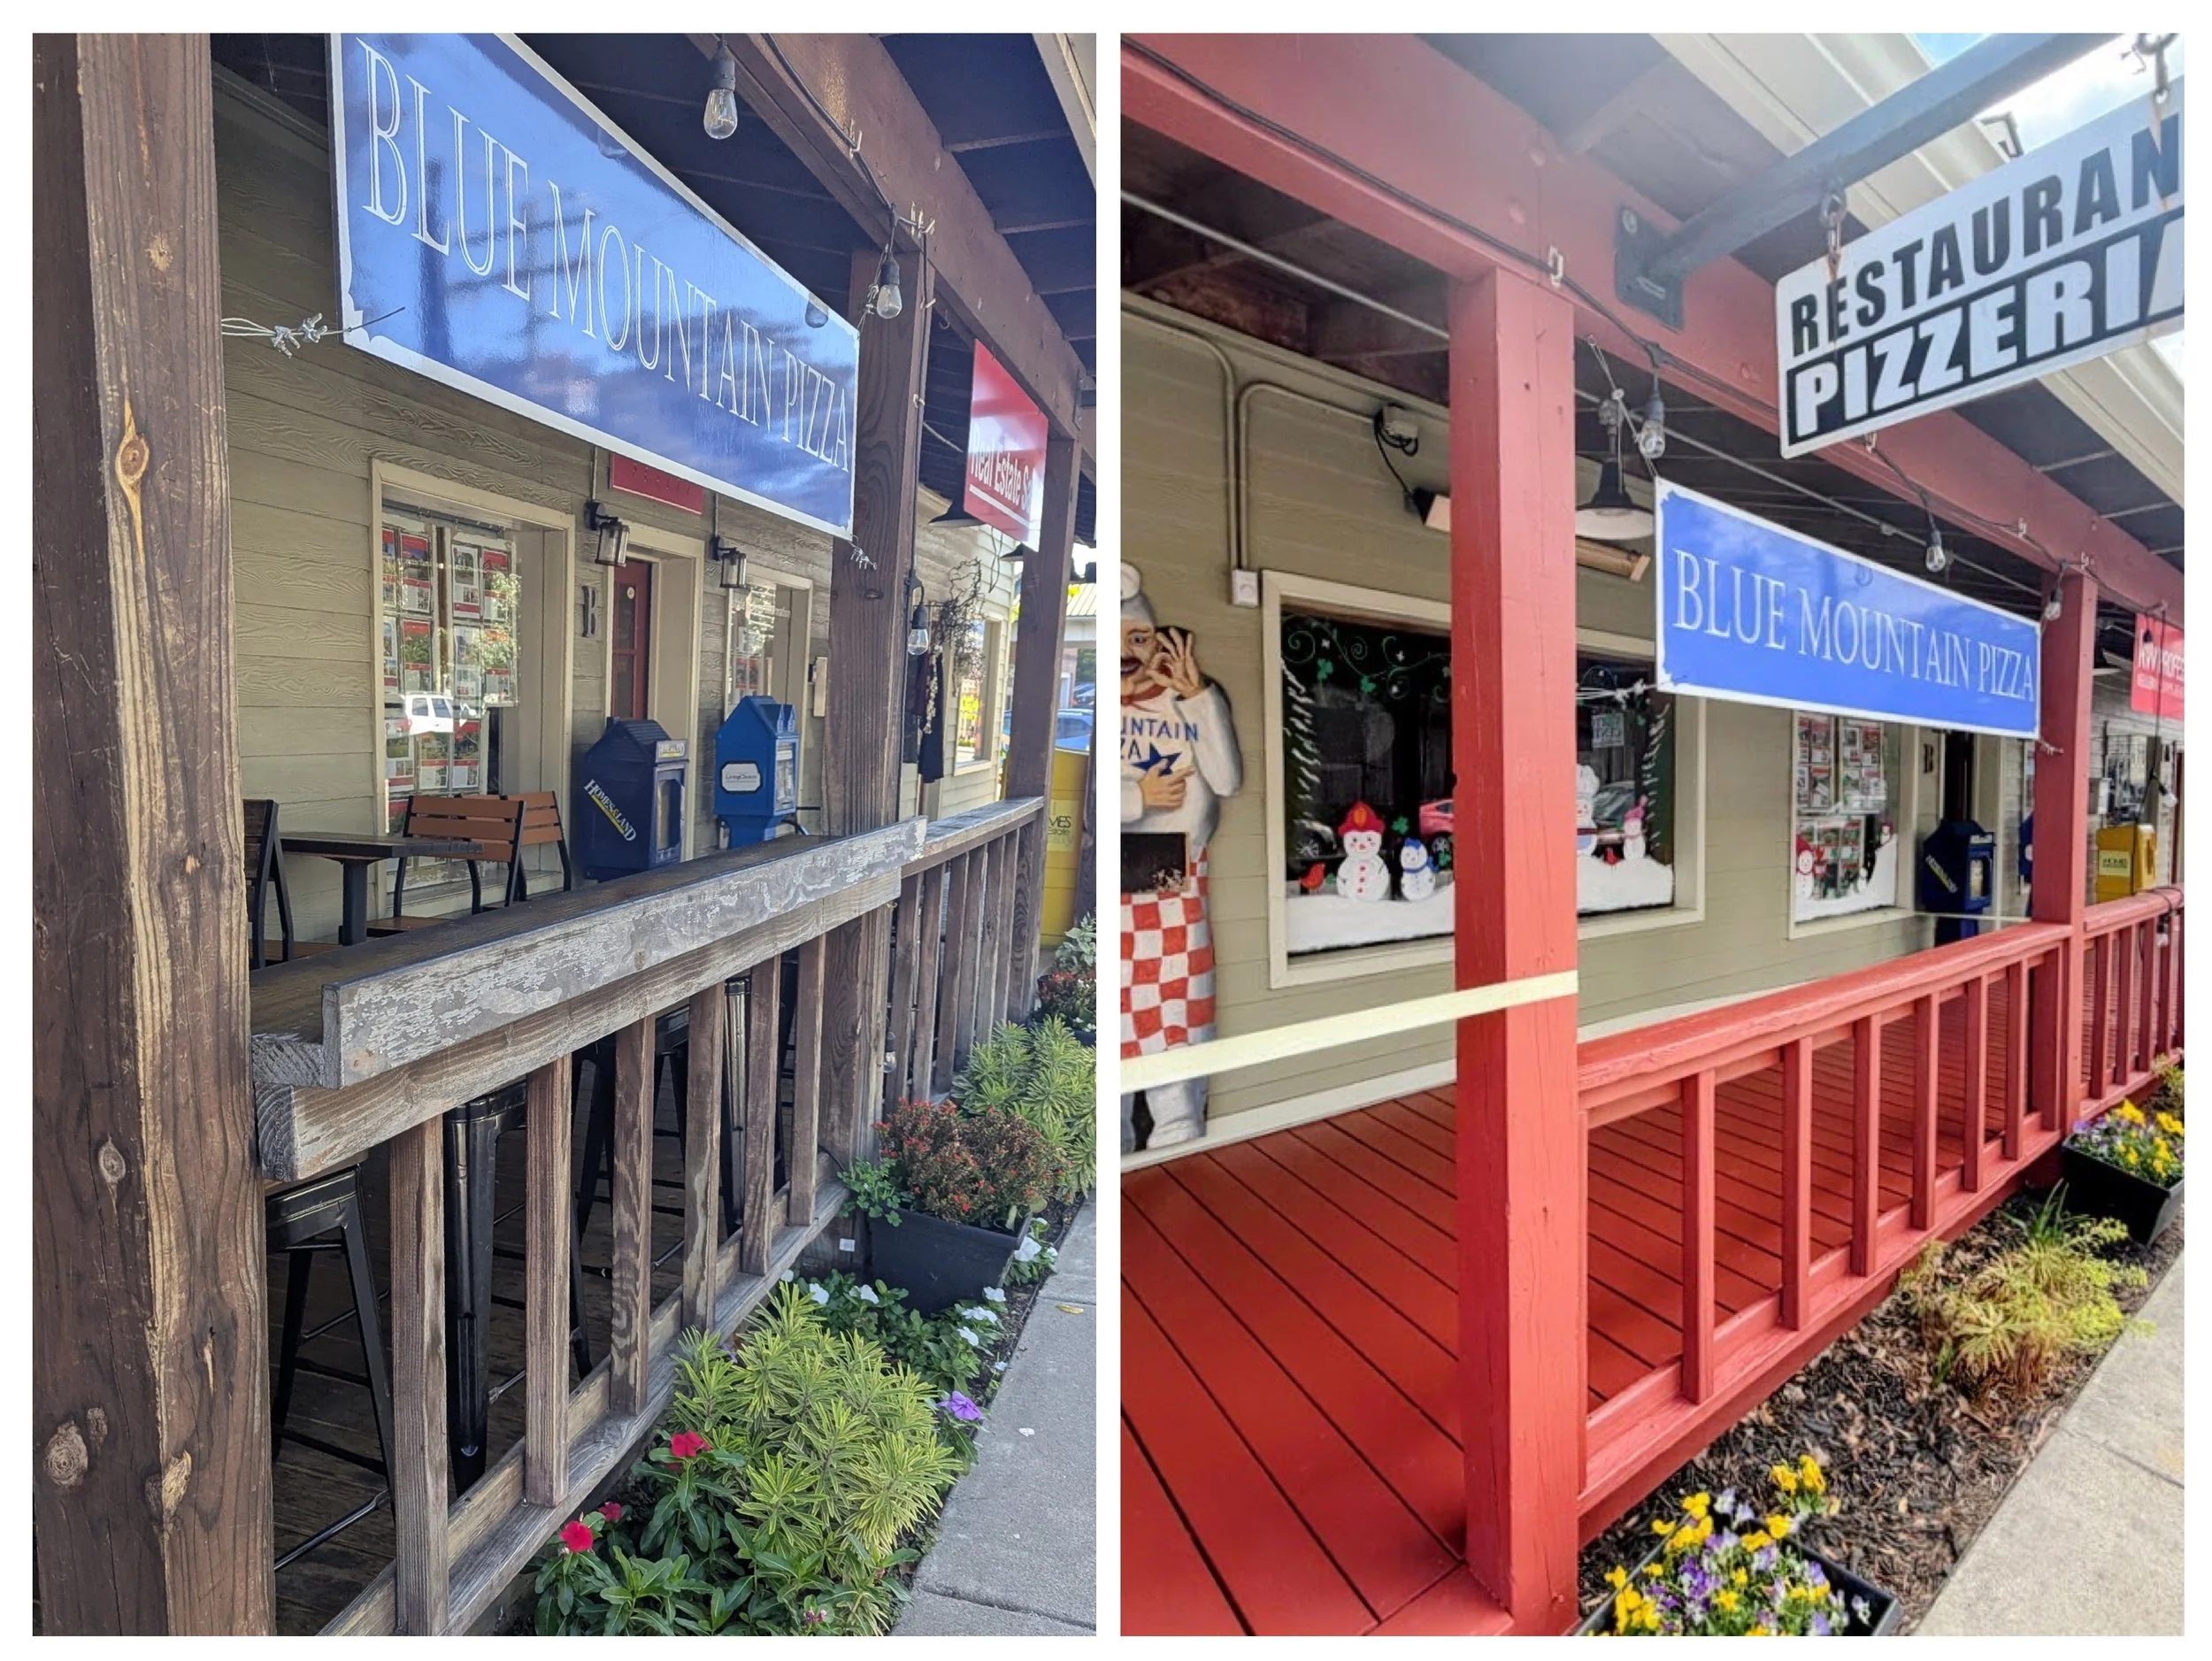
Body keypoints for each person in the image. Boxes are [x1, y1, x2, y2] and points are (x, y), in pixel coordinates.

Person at [1119, 563, 1241, 1152]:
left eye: (1138, 638)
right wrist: (1134, 797)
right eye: (1118, 637)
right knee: (1116, 1046)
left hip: (1177, 883)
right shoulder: (1098, 712)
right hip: (1119, 889)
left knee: (1178, 1043)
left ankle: (1178, 1160)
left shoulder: (1181, 704)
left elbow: (1227, 778)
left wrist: (1197, 696)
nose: (1127, 652)